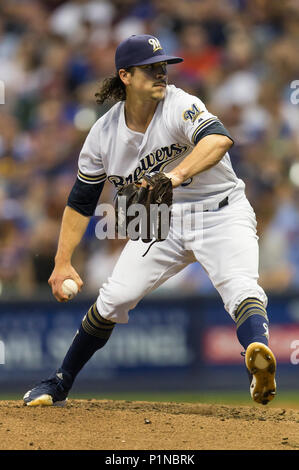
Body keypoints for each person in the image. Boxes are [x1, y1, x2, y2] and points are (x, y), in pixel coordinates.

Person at [23, 34, 276, 407]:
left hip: (220, 210)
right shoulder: (103, 135)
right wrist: (62, 262)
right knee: (114, 298)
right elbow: (81, 200)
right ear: (125, 76)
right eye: (151, 69)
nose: (162, 74)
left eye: (163, 67)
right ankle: (59, 382)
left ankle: (258, 352)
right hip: (161, 220)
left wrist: (172, 177)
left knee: (241, 288)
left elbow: (219, 140)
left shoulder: (180, 104)